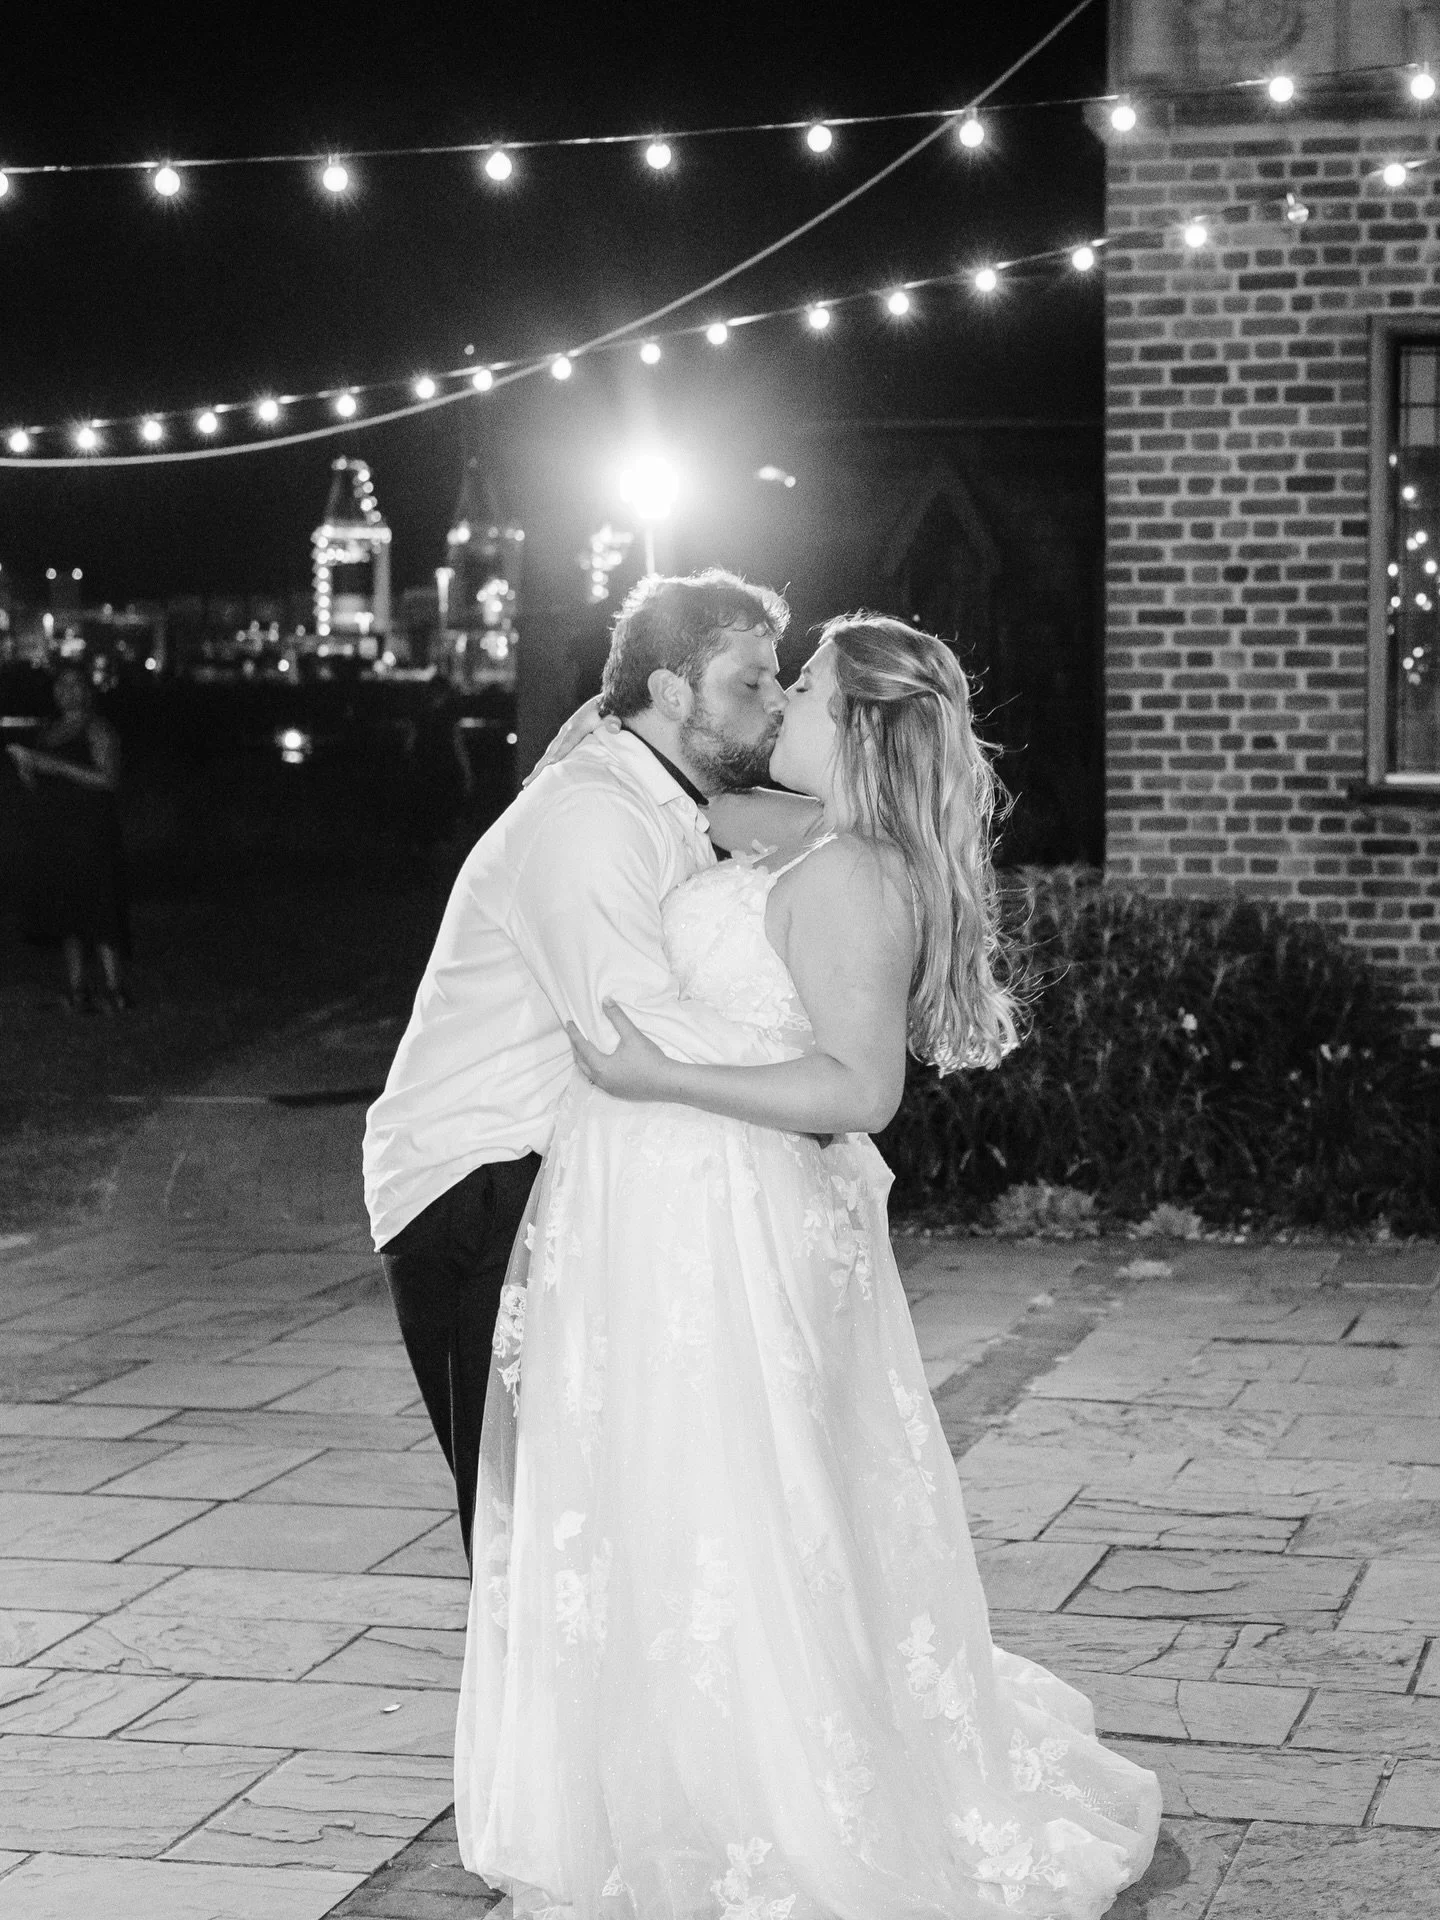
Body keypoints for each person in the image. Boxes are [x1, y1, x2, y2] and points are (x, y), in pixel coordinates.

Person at [454, 616, 1161, 1919]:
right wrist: (600, 742)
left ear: (857, 726)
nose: (783, 699)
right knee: (686, 1498)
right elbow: (700, 801)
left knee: (733, 1493)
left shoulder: (855, 878)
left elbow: (861, 1088)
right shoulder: (816, 837)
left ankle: (763, 1808)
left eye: (809, 685)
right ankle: (681, 1788)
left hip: (725, 1213)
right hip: (675, 1210)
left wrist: (658, 1074)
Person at [362, 570, 798, 1570]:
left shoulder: (662, 797)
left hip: (562, 1176)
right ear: (672, 692)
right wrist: (819, 1077)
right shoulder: (595, 815)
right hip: (483, 1183)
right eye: (751, 682)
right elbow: (626, 1039)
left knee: (597, 1522)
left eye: (779, 681)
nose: (776, 701)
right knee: (530, 1536)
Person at [7, 665, 131, 1014]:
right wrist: (28, 767)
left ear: (87, 691)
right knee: (66, 909)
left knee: (100, 906)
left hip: (92, 830)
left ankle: (114, 991)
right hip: (58, 831)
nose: (66, 690)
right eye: (61, 684)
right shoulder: (49, 731)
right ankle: (77, 990)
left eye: (75, 684)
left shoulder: (97, 728)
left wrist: (54, 766)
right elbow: (41, 783)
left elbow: (108, 780)